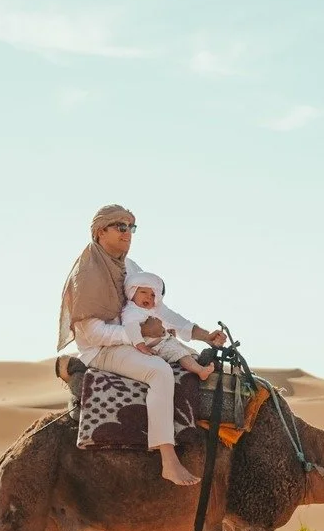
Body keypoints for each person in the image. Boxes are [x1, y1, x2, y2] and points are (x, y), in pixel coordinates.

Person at [56, 205, 226, 486]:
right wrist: (135, 334)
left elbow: (160, 311)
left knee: (193, 363)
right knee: (158, 371)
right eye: (120, 227)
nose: (128, 233)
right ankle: (168, 459)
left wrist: (202, 334)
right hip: (103, 349)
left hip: (143, 340)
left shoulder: (130, 268)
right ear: (101, 232)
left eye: (131, 227)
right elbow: (90, 331)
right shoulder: (86, 274)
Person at [122, 271, 215, 380]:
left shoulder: (146, 310)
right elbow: (131, 328)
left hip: (164, 341)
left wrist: (165, 332)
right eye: (143, 292)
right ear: (132, 293)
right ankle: (200, 371)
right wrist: (142, 346)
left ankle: (198, 359)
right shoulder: (132, 311)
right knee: (179, 353)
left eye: (153, 295)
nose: (149, 297)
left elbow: (163, 321)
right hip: (156, 346)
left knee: (185, 350)